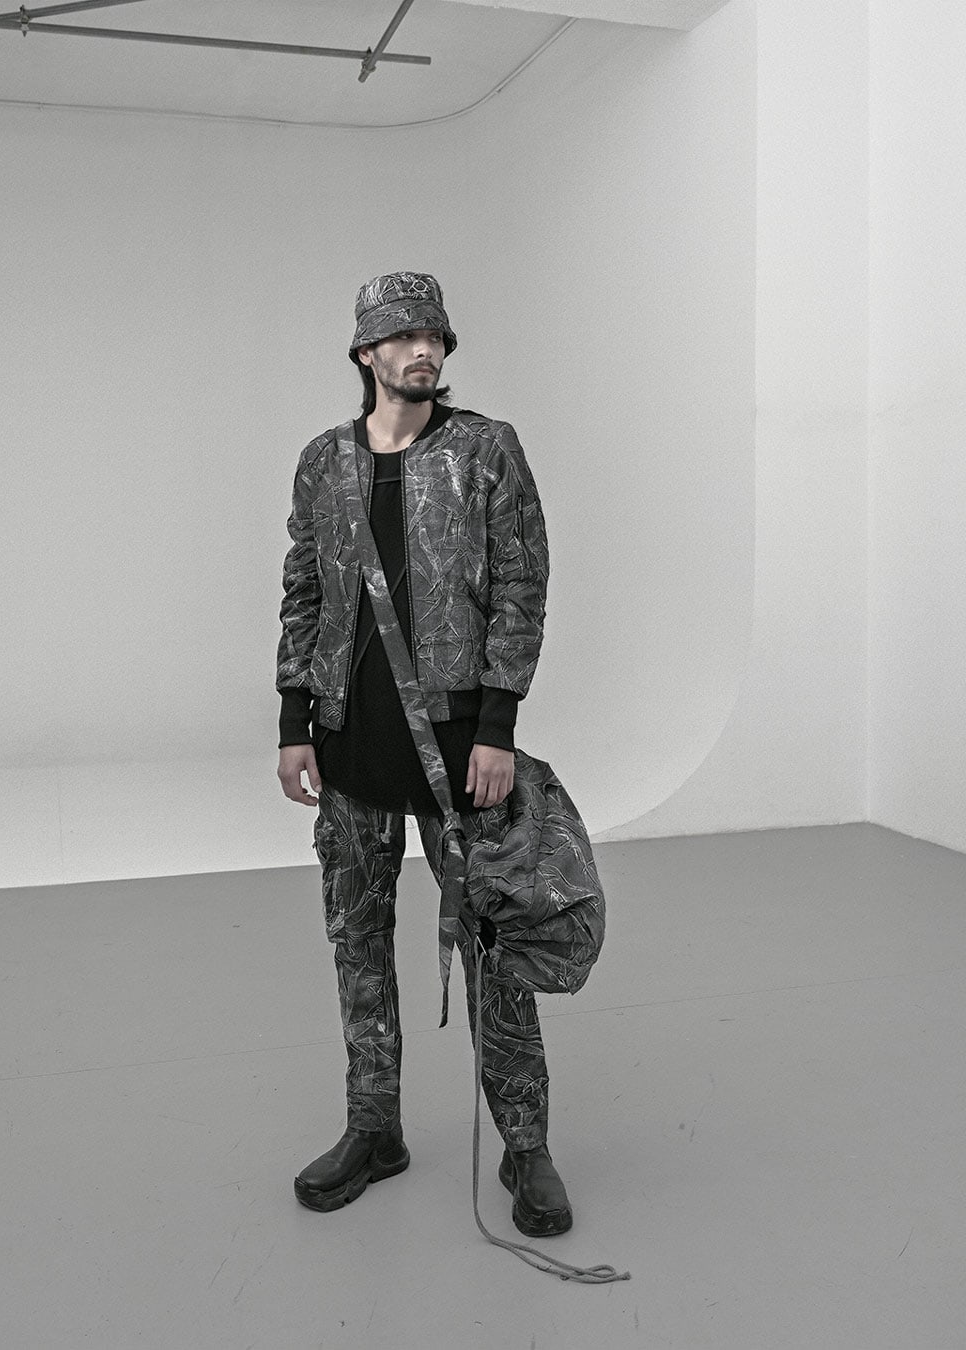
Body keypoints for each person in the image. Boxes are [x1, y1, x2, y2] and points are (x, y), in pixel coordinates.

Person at [275, 272, 570, 1237]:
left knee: (493, 946)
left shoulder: (485, 450)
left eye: (435, 337)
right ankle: (375, 1127)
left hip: (456, 747)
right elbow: (303, 591)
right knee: (357, 942)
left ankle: (525, 1144)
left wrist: (497, 728)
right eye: (404, 338)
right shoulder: (324, 463)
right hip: (348, 742)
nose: (424, 351)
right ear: (366, 353)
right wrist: (293, 722)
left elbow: (522, 583)